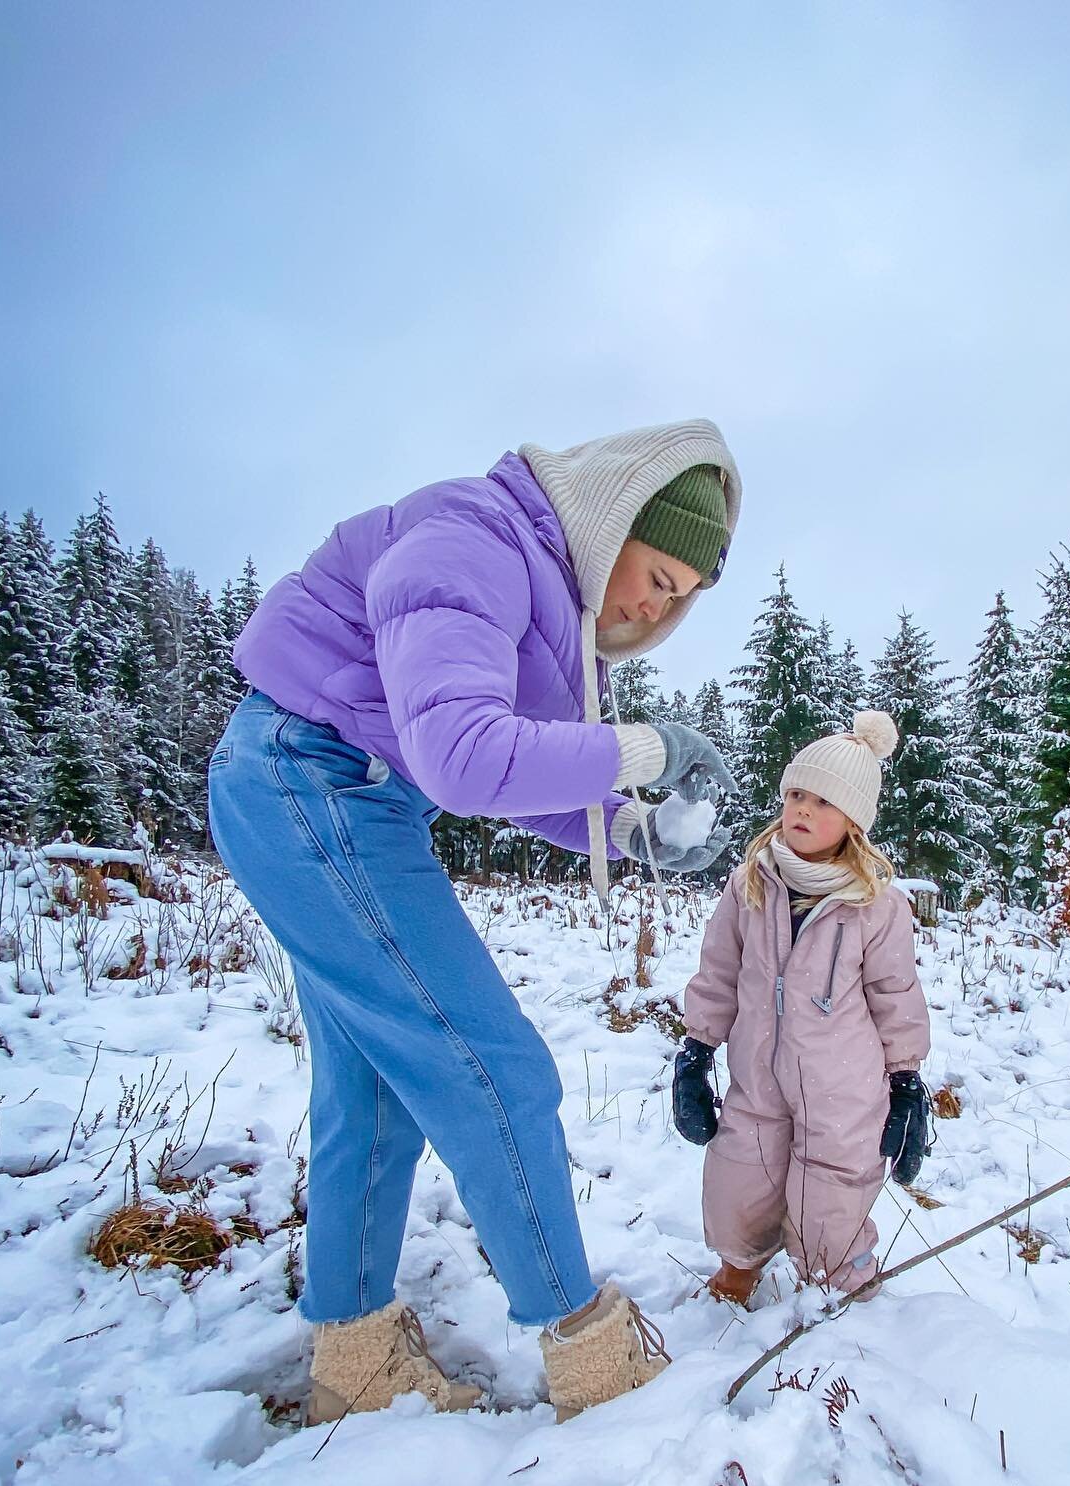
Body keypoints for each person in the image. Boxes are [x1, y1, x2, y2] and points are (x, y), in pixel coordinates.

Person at [207, 421, 742, 1424]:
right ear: (617, 518)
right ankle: (591, 1354)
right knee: (492, 1064)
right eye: (659, 578)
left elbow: (497, 771)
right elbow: (462, 756)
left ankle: (356, 1357)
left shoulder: (530, 577)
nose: (651, 608)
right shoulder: (478, 540)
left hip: (325, 791)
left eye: (675, 601)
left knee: (374, 1089)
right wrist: (645, 749)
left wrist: (634, 833)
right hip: (312, 784)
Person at [671, 712, 932, 1304]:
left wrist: (907, 1078)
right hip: (758, 1077)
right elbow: (719, 974)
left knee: (830, 1200)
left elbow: (896, 995)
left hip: (843, 1085)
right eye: (795, 795)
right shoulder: (750, 886)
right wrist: (696, 1048)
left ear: (854, 822)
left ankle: (839, 1287)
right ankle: (739, 1268)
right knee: (740, 1179)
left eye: (822, 801)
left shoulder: (877, 906)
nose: (803, 811)